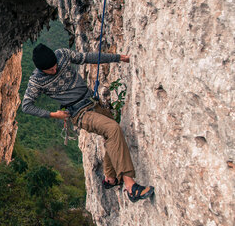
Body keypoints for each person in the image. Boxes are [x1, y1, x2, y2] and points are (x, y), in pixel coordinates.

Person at [22, 43, 154, 202]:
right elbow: (26, 106)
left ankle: (111, 178)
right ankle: (131, 186)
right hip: (79, 113)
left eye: (55, 66)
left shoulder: (62, 54)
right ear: (40, 70)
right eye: (50, 70)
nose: (54, 70)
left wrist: (118, 58)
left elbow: (87, 58)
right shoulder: (36, 81)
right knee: (112, 129)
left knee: (112, 138)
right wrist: (53, 114)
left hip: (92, 102)